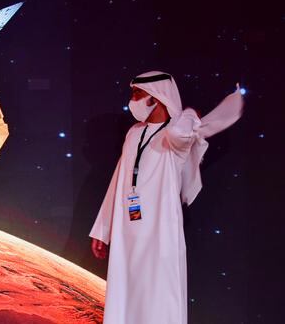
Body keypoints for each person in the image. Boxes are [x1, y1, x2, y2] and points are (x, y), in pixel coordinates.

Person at [89, 71, 244, 324]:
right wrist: (102, 229)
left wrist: (188, 114)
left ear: (156, 97)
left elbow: (181, 134)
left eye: (138, 93)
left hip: (160, 231)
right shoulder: (134, 133)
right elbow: (118, 179)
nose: (133, 100)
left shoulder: (176, 135)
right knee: (126, 293)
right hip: (128, 230)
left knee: (159, 294)